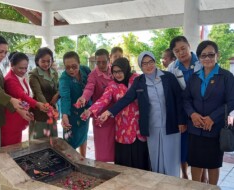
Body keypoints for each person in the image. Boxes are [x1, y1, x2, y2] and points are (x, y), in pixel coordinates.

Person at [100, 51, 186, 177]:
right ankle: (158, 184)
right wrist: (109, 112)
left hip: (171, 124)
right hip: (152, 126)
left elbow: (179, 99)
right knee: (155, 158)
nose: (148, 66)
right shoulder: (139, 81)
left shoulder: (168, 77)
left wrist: (181, 121)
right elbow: (127, 98)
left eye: (150, 62)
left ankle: (173, 184)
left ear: (155, 62)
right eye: (144, 63)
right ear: (141, 66)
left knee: (171, 157)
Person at [81, 57, 150, 170]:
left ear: (126, 69)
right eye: (114, 72)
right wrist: (90, 110)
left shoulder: (137, 79)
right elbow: (103, 100)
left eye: (120, 71)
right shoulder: (112, 86)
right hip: (123, 131)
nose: (117, 75)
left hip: (140, 130)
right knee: (125, 167)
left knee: (141, 165)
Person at [183, 40, 234, 185]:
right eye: (203, 55)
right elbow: (186, 99)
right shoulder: (194, 77)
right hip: (195, 128)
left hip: (215, 128)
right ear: (199, 58)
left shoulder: (226, 76)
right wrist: (192, 114)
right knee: (195, 162)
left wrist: (213, 117)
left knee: (213, 163)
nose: (207, 58)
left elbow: (231, 101)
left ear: (217, 55)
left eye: (211, 54)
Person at [0, 35, 32, 151]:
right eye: (0, 52)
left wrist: (19, 108)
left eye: (5, 52)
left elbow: (1, 91)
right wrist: (13, 102)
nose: (3, 55)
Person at [168, 35, 204, 180]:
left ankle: (203, 177)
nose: (181, 53)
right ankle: (184, 175)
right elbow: (173, 94)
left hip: (202, 112)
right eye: (177, 51)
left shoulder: (202, 62)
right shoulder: (172, 67)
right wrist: (180, 119)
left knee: (201, 147)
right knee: (183, 147)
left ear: (189, 46)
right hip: (183, 113)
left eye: (183, 48)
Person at [76, 49, 115, 162]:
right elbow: (89, 88)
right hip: (99, 113)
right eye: (98, 62)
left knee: (116, 147)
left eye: (104, 62)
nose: (101, 65)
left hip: (115, 113)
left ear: (109, 60)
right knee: (102, 147)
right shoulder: (93, 74)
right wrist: (84, 97)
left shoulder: (115, 70)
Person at [1, 52, 47, 146]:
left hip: (17, 121)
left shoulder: (19, 77)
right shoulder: (10, 80)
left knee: (16, 147)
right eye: (20, 68)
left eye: (25, 68)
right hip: (11, 123)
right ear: (11, 65)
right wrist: (37, 104)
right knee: (10, 150)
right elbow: (22, 95)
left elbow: (22, 99)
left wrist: (28, 109)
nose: (23, 71)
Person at [59, 51, 91, 157]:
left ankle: (83, 158)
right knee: (70, 140)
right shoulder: (64, 78)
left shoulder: (85, 70)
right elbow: (65, 97)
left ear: (79, 63)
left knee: (83, 135)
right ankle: (70, 162)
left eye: (74, 66)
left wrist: (91, 106)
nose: (71, 70)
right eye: (67, 67)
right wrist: (64, 115)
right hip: (71, 113)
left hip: (84, 110)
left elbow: (92, 85)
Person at [29, 47, 59, 139]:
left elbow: (58, 88)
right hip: (40, 110)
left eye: (48, 61)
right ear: (37, 61)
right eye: (43, 61)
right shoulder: (33, 74)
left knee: (52, 140)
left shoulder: (54, 73)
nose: (46, 64)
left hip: (52, 109)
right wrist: (48, 108)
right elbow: (38, 94)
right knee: (39, 141)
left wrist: (58, 95)